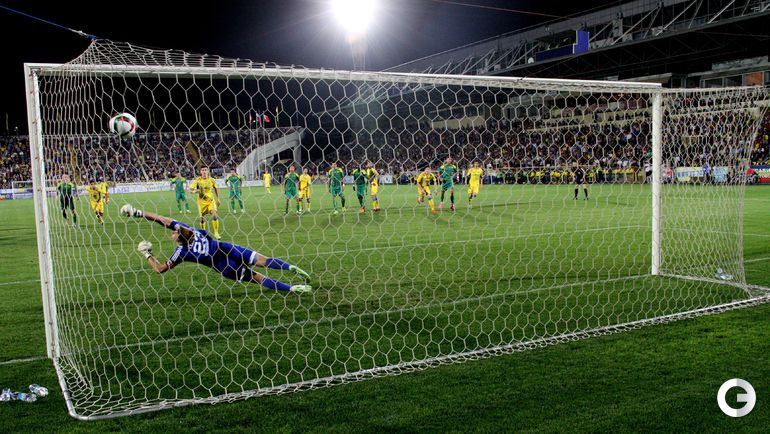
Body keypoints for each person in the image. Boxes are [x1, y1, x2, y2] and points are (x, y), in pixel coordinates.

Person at [120, 204, 311, 293]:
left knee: (258, 278)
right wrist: (138, 212)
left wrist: (147, 254)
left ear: (179, 239)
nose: (172, 232)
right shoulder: (193, 231)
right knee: (265, 261)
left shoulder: (182, 253)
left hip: (224, 266)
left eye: (174, 232)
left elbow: (160, 269)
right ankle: (290, 267)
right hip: (229, 249)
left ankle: (293, 288)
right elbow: (162, 220)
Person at [189, 166, 222, 239]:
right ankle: (203, 233)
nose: (204, 171)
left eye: (205, 170)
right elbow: (190, 190)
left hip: (210, 201)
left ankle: (216, 233)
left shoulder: (212, 180)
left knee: (214, 214)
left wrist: (218, 198)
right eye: (202, 170)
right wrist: (196, 191)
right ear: (200, 172)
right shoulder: (197, 180)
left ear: (208, 171)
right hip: (201, 202)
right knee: (202, 219)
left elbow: (216, 188)